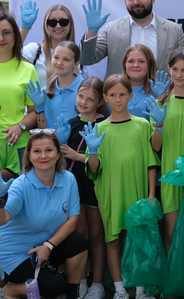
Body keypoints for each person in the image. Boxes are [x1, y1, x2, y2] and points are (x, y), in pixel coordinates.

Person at [84, 74, 160, 299]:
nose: (118, 99)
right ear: (105, 97)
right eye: (113, 95)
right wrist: (94, 151)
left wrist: (151, 196)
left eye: (122, 94)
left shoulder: (141, 125)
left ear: (130, 95)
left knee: (138, 239)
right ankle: (119, 289)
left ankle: (140, 288)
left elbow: (150, 163)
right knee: (114, 239)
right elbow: (94, 170)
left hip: (137, 193)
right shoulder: (98, 129)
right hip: (111, 193)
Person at [0, 130, 88, 299]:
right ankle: (11, 290)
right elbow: (3, 220)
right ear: (29, 156)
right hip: (14, 255)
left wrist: (48, 245)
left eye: (48, 150)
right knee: (54, 287)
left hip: (43, 248)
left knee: (79, 242)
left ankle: (73, 296)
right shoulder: (20, 185)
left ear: (57, 153)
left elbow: (72, 220)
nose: (43, 156)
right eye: (37, 151)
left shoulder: (68, 179)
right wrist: (0, 200)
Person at [58, 77, 108, 299]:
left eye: (90, 99)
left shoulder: (105, 125)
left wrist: (78, 156)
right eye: (80, 96)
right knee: (81, 234)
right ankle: (82, 280)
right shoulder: (68, 124)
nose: (83, 102)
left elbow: (105, 161)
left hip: (95, 187)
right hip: (73, 187)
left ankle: (98, 284)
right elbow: (57, 160)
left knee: (97, 235)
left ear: (99, 102)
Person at [151, 47, 184, 254]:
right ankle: (173, 282)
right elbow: (156, 147)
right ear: (168, 69)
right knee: (171, 233)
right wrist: (159, 125)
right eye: (175, 69)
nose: (179, 75)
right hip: (170, 176)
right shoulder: (161, 102)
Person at [79, 0, 184, 78]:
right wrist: (92, 31)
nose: (136, 2)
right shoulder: (111, 29)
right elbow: (86, 60)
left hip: (161, 102)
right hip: (120, 102)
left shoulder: (174, 30)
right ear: (125, 0)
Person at [0, 13, 38, 166]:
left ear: (16, 35)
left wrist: (19, 126)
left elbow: (35, 111)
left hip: (17, 144)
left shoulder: (28, 69)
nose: (1, 38)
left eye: (6, 32)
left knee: (17, 190)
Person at [26, 41, 83, 129]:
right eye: (56, 57)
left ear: (76, 64)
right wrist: (39, 108)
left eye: (66, 59)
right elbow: (43, 129)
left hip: (76, 142)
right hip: (51, 142)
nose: (59, 62)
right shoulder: (45, 92)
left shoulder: (85, 89)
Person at [21, 3, 77, 86]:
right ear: (46, 25)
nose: (58, 26)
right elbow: (8, 53)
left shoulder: (78, 54)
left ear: (70, 24)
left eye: (63, 22)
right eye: (52, 22)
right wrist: (25, 27)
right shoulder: (34, 50)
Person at [122, 43, 170, 120]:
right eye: (131, 61)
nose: (135, 65)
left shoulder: (159, 91)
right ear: (125, 65)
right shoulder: (114, 89)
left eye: (141, 61)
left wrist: (159, 98)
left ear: (150, 65)